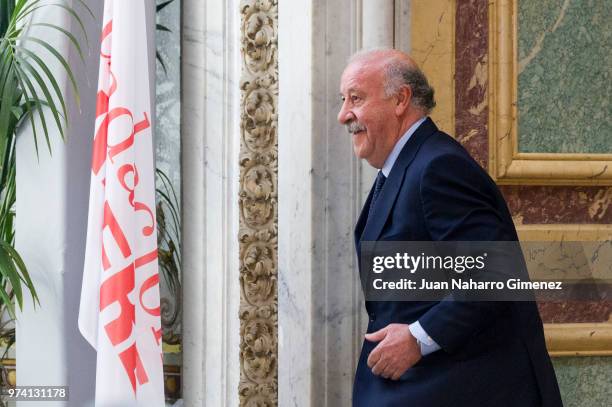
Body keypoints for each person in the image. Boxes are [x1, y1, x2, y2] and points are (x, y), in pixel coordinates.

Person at [338, 49, 563, 407]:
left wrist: (417, 337)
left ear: (400, 100)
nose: (343, 114)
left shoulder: (438, 166)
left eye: (356, 98)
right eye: (343, 99)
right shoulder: (404, 167)